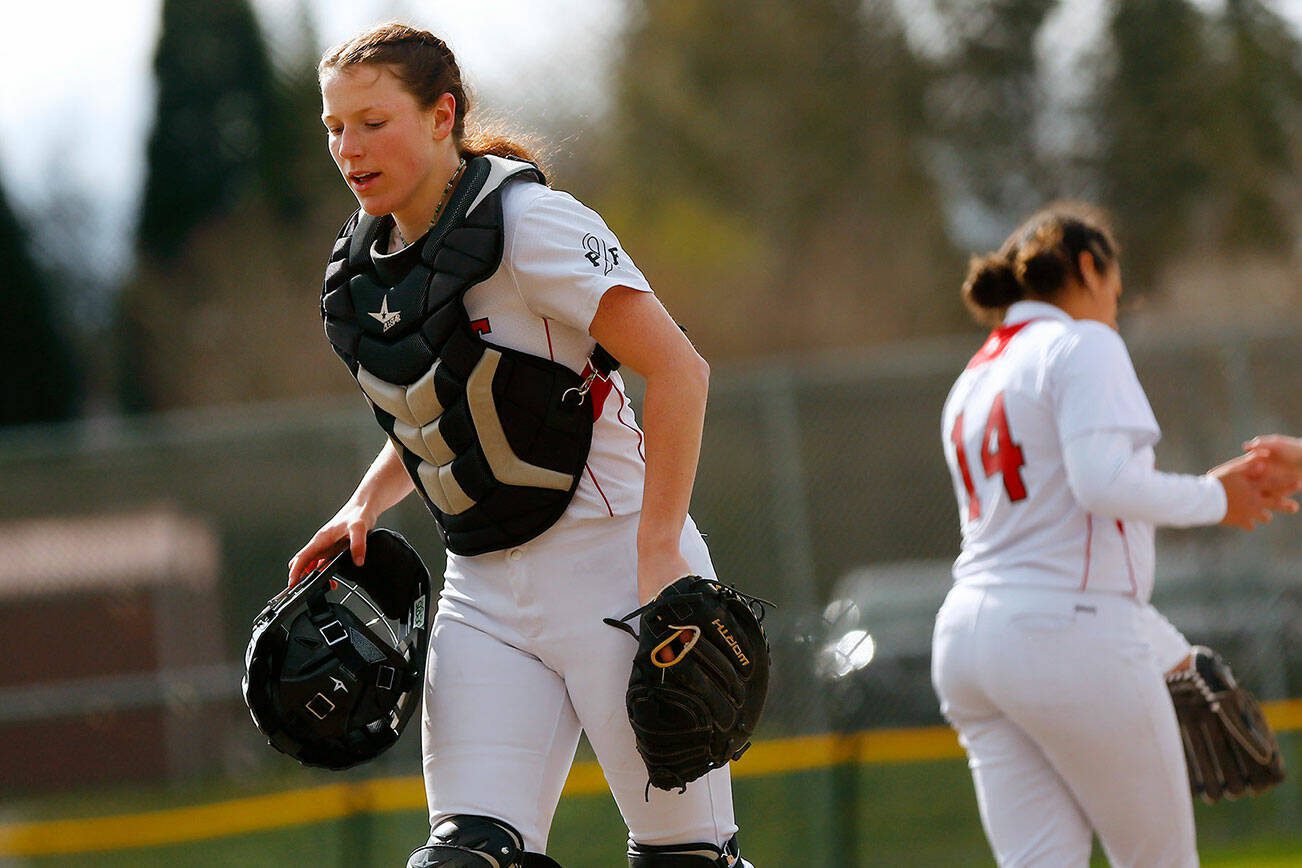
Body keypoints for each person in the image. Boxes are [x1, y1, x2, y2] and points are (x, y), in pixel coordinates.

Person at [287, 23, 752, 868]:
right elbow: (448, 405)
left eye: (372, 121)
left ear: (441, 116)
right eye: (333, 127)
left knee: (686, 861)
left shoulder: (531, 225)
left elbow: (680, 370)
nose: (349, 148)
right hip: (485, 594)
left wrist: (660, 555)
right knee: (463, 859)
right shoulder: (366, 268)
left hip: (615, 568)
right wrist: (364, 503)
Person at [930, 203, 1298, 868]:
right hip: (1064, 636)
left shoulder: (973, 376)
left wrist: (1170, 649)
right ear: (1090, 266)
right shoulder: (1083, 341)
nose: (1116, 305)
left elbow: (1067, 527)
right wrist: (1218, 498)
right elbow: (1103, 485)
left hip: (967, 642)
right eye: (1115, 287)